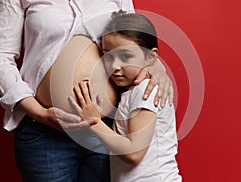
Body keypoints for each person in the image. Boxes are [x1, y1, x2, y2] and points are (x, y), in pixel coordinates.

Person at [0, 0, 174, 181]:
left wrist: (155, 66)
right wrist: (39, 113)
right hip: (45, 131)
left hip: (108, 127)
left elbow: (132, 37)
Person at [69, 11, 182, 181]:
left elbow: (134, 153)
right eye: (108, 55)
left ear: (150, 57)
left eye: (125, 56)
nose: (115, 65)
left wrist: (94, 121)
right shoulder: (131, 91)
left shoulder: (145, 90)